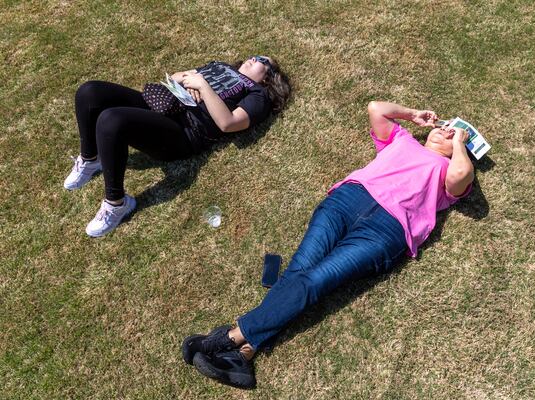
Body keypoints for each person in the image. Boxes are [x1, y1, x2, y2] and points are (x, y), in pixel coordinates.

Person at [180, 101, 475, 389]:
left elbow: (461, 175)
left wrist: (459, 145)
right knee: (299, 271)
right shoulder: (402, 140)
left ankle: (226, 340)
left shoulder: (447, 173)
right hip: (347, 201)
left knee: (315, 280)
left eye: (454, 133)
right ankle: (244, 354)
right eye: (446, 126)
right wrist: (413, 115)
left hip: (386, 230)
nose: (446, 131)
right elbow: (376, 108)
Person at [63, 56, 291, 237]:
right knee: (89, 92)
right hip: (164, 104)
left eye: (263, 60)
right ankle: (90, 159)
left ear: (268, 78)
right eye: (254, 55)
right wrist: (185, 78)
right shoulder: (220, 67)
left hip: (184, 132)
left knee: (111, 120)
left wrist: (202, 86)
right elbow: (174, 79)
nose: (254, 58)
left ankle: (116, 203)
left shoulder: (257, 94)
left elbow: (228, 123)